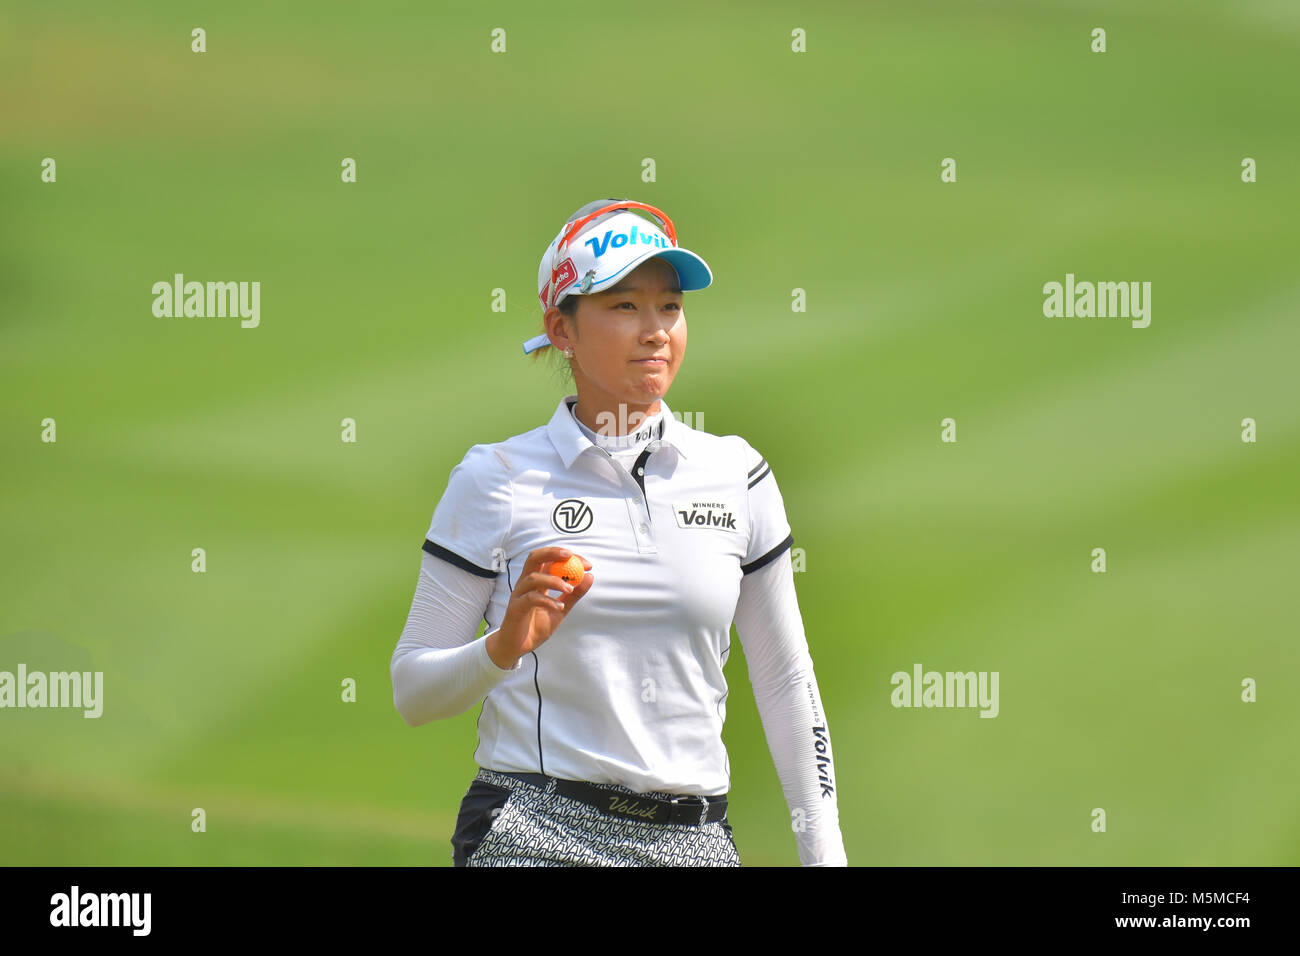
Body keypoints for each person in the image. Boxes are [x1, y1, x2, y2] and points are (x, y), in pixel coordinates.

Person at [391, 198, 847, 867]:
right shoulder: (496, 479)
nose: (656, 330)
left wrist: (825, 857)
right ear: (562, 329)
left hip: (695, 841)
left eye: (669, 306)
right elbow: (414, 692)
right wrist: (503, 646)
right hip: (534, 831)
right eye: (625, 307)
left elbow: (784, 679)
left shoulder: (737, 474)